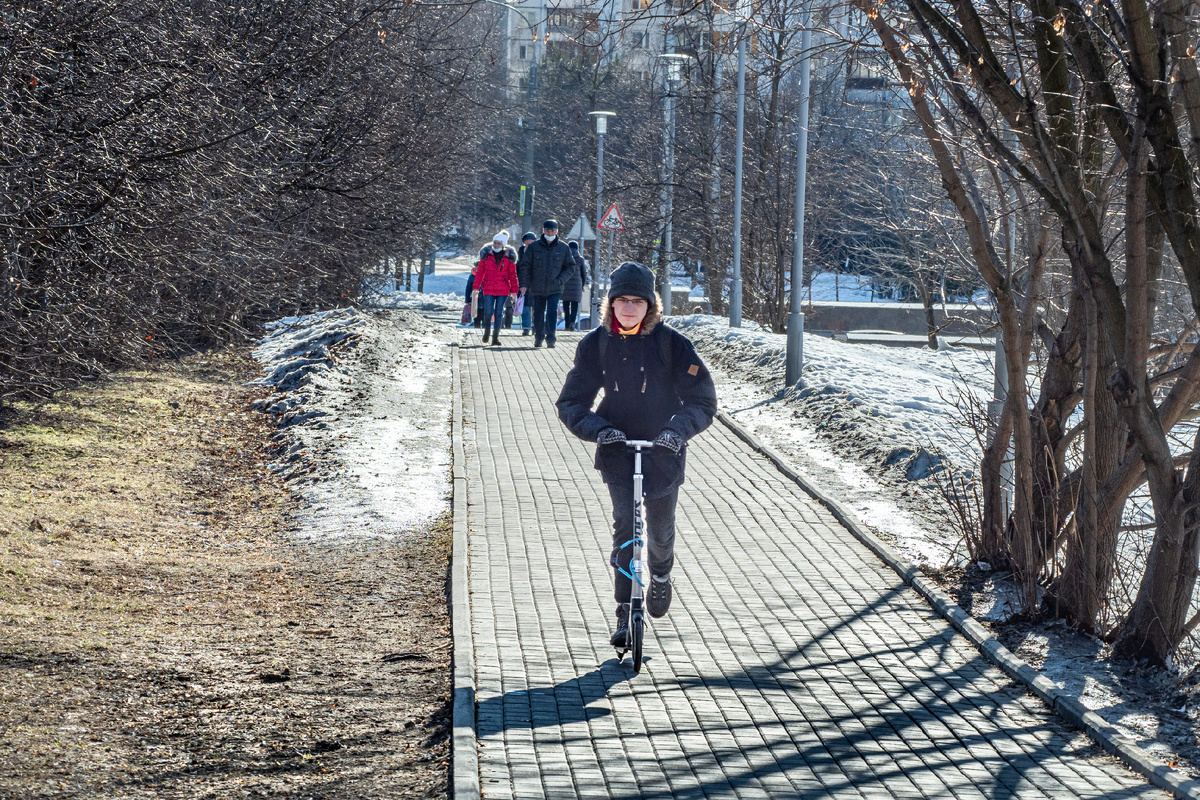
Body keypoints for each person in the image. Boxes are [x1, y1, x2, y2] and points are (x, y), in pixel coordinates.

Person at [555, 261, 717, 649]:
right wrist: (600, 430)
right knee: (626, 529)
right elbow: (572, 402)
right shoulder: (596, 344)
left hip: (663, 450)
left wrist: (676, 431)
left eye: (637, 301)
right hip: (618, 449)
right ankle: (625, 614)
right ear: (610, 304)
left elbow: (702, 401)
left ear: (651, 305)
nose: (628, 308)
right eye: (621, 300)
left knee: (659, 533)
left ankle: (660, 575)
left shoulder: (672, 344)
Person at [517, 219, 575, 348]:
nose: (550, 232)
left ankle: (551, 338)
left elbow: (570, 267)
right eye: (547, 230)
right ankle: (538, 337)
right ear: (543, 230)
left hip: (555, 286)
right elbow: (525, 266)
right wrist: (524, 284)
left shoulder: (563, 247)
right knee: (538, 312)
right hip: (537, 286)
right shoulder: (534, 247)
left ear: (556, 231)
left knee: (552, 312)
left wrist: (561, 279)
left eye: (552, 230)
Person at [475, 231, 519, 346]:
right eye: (494, 243)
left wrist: (514, 291)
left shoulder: (509, 258)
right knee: (488, 311)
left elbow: (513, 276)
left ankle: (495, 337)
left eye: (499, 243)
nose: (496, 245)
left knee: (499, 313)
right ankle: (487, 332)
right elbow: (480, 273)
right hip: (488, 288)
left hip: (503, 289)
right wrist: (476, 287)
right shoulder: (486, 256)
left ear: (503, 244)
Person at [562, 240, 589, 331]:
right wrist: (582, 285)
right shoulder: (580, 259)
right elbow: (583, 274)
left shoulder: (564, 258)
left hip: (565, 285)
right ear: (577, 248)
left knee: (566, 306)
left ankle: (566, 324)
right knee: (574, 306)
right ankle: (572, 324)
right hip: (577, 285)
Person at [516, 232, 537, 336]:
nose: (529, 247)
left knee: (537, 307)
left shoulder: (539, 252)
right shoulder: (520, 253)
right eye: (527, 244)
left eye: (531, 244)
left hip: (537, 283)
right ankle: (526, 327)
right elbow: (519, 269)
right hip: (523, 283)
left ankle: (536, 327)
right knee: (525, 306)